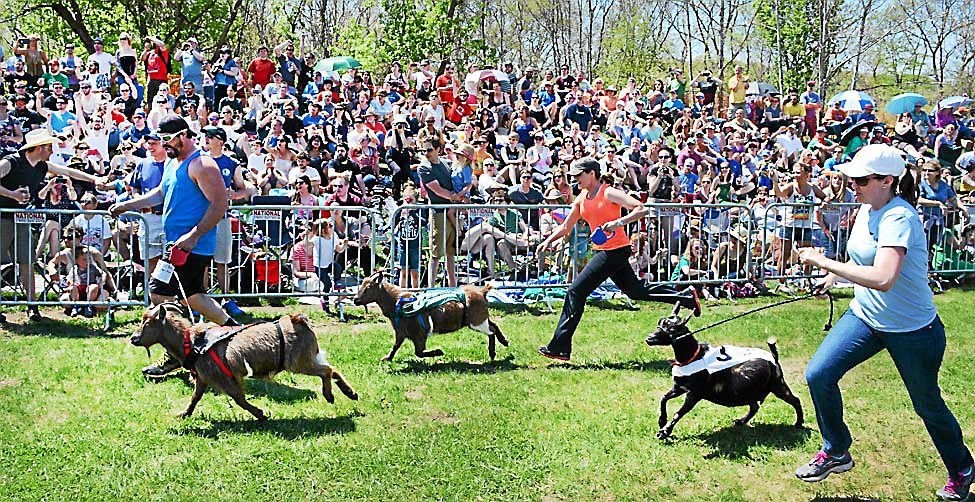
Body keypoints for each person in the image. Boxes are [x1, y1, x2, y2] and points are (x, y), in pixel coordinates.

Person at [796, 144, 974, 501]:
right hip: (866, 317)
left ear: (888, 181)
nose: (853, 184)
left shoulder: (899, 217)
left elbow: (883, 277)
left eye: (861, 179)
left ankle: (962, 469)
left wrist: (823, 262)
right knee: (819, 374)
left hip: (913, 329)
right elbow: (859, 257)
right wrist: (833, 279)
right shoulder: (867, 209)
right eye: (851, 177)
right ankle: (836, 450)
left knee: (927, 404)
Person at [535, 157, 702, 361]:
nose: (575, 180)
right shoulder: (581, 198)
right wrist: (547, 242)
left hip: (614, 251)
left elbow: (641, 208)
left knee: (575, 291)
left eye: (578, 175)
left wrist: (618, 222)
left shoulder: (609, 192)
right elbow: (565, 227)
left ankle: (559, 347)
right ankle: (685, 296)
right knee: (636, 291)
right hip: (607, 251)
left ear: (592, 174)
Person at [109, 116, 237, 378]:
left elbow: (220, 204)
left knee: (158, 293)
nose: (163, 144)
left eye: (167, 139)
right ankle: (232, 330)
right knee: (192, 296)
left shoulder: (202, 164)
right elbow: (159, 193)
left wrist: (193, 235)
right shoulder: (172, 162)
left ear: (183, 135)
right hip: (176, 245)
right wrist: (127, 205)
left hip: (193, 246)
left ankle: (180, 351)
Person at [1, 129, 106, 321]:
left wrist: (94, 179)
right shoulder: (11, 162)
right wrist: (12, 194)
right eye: (49, 147)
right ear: (40, 148)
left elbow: (67, 171)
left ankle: (32, 306)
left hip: (21, 218)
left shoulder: (41, 166)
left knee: (27, 262)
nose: (52, 151)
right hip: (2, 218)